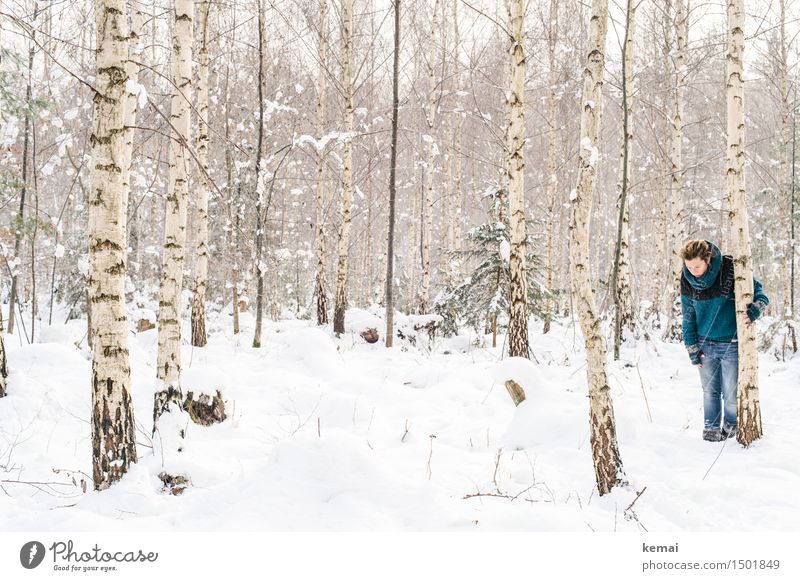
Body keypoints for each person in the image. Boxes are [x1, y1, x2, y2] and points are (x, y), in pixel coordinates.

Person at [680, 239, 769, 442]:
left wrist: (757, 307)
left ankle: (731, 430)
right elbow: (687, 315)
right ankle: (711, 431)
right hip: (704, 344)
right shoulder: (686, 279)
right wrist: (691, 347)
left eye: (697, 265)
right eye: (689, 266)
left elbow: (761, 293)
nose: (693, 270)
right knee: (709, 392)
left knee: (731, 395)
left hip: (730, 343)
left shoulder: (730, 268)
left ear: (708, 259)